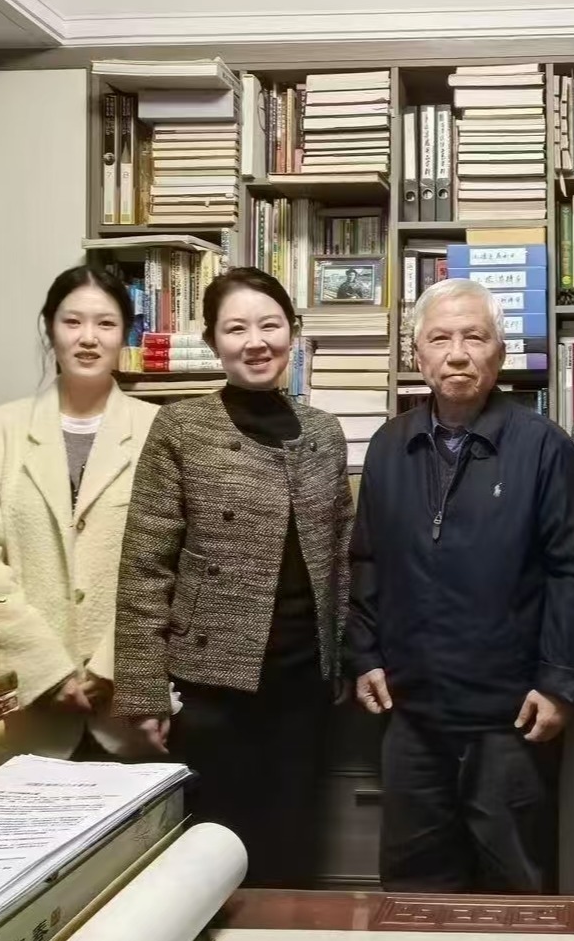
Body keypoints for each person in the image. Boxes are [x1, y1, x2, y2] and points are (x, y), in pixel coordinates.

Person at [346, 277, 574, 895]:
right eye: (440, 339)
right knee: (414, 894)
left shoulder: (544, 447)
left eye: (474, 337)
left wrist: (559, 683)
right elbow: (366, 559)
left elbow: (573, 572)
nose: (457, 354)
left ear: (500, 352)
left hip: (511, 719)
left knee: (518, 894)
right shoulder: (388, 447)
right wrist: (365, 654)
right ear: (417, 356)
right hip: (412, 717)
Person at [113, 267, 352, 887]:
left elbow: (342, 556)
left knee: (292, 846)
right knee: (213, 851)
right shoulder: (182, 426)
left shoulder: (324, 432)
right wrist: (143, 690)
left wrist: (345, 661)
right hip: (211, 685)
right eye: (236, 328)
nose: (256, 342)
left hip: (304, 681)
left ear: (292, 333)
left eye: (270, 325)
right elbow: (144, 565)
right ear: (213, 342)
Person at [0, 266, 156, 760]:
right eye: (72, 322)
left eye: (105, 323)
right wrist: (45, 670)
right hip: (25, 710)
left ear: (125, 334)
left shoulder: (159, 430)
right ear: (49, 327)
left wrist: (111, 666)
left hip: (128, 712)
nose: (88, 338)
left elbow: (171, 564)